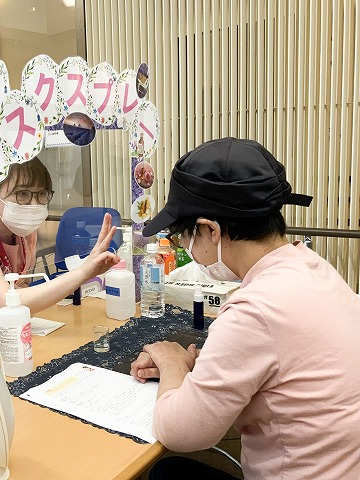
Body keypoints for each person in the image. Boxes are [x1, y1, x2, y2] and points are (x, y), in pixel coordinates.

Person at [130, 138, 360, 479]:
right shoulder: (314, 267)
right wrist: (202, 367)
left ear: (210, 230)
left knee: (166, 472)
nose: (185, 247)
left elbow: (180, 433)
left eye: (184, 237)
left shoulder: (254, 310)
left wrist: (171, 361)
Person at [0, 157, 119, 315]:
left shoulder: (23, 227)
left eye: (41, 194)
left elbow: (21, 287)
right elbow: (4, 303)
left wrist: (86, 273)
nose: (34, 205)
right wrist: (83, 272)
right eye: (22, 194)